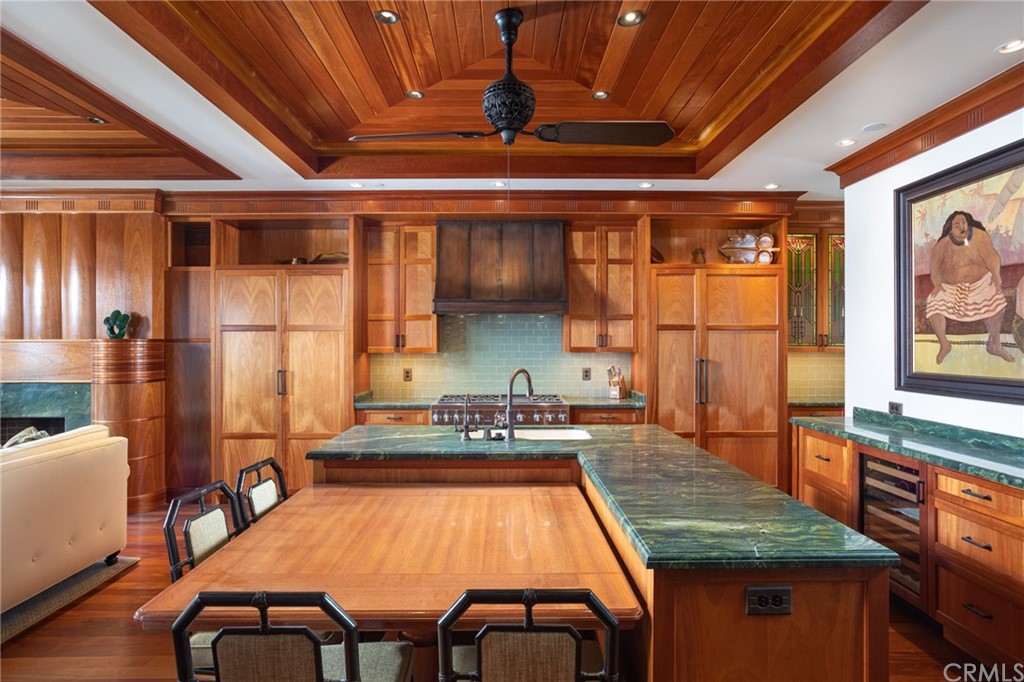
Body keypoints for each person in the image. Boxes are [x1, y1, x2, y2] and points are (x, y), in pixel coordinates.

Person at [925, 210, 1012, 364]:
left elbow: (992, 257)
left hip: (981, 284)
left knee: (997, 301)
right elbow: (935, 267)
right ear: (950, 229)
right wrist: (937, 284)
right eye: (956, 225)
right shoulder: (943, 244)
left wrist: (997, 277)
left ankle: (994, 344)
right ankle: (944, 344)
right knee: (933, 302)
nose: (961, 226)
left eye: (963, 222)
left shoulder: (980, 236)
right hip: (951, 288)